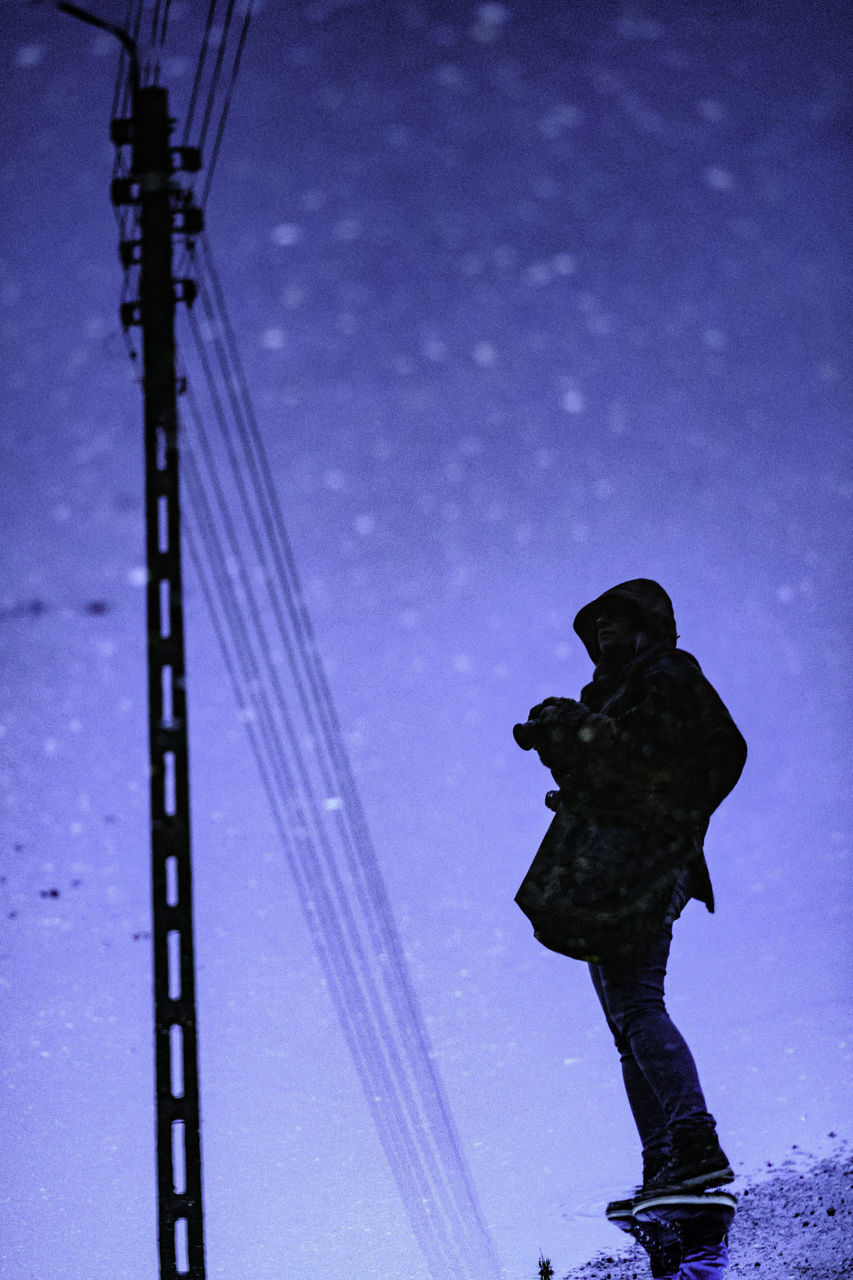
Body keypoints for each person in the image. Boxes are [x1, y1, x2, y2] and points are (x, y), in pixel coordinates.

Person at [513, 579, 747, 1221]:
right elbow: (612, 772)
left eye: (615, 620)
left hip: (644, 861)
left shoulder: (669, 674)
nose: (602, 632)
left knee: (638, 1005)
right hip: (610, 869)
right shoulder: (617, 695)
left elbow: (703, 757)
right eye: (594, 627)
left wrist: (587, 732)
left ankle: (694, 1144)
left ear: (648, 622)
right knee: (626, 1023)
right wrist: (570, 741)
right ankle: (665, 1160)